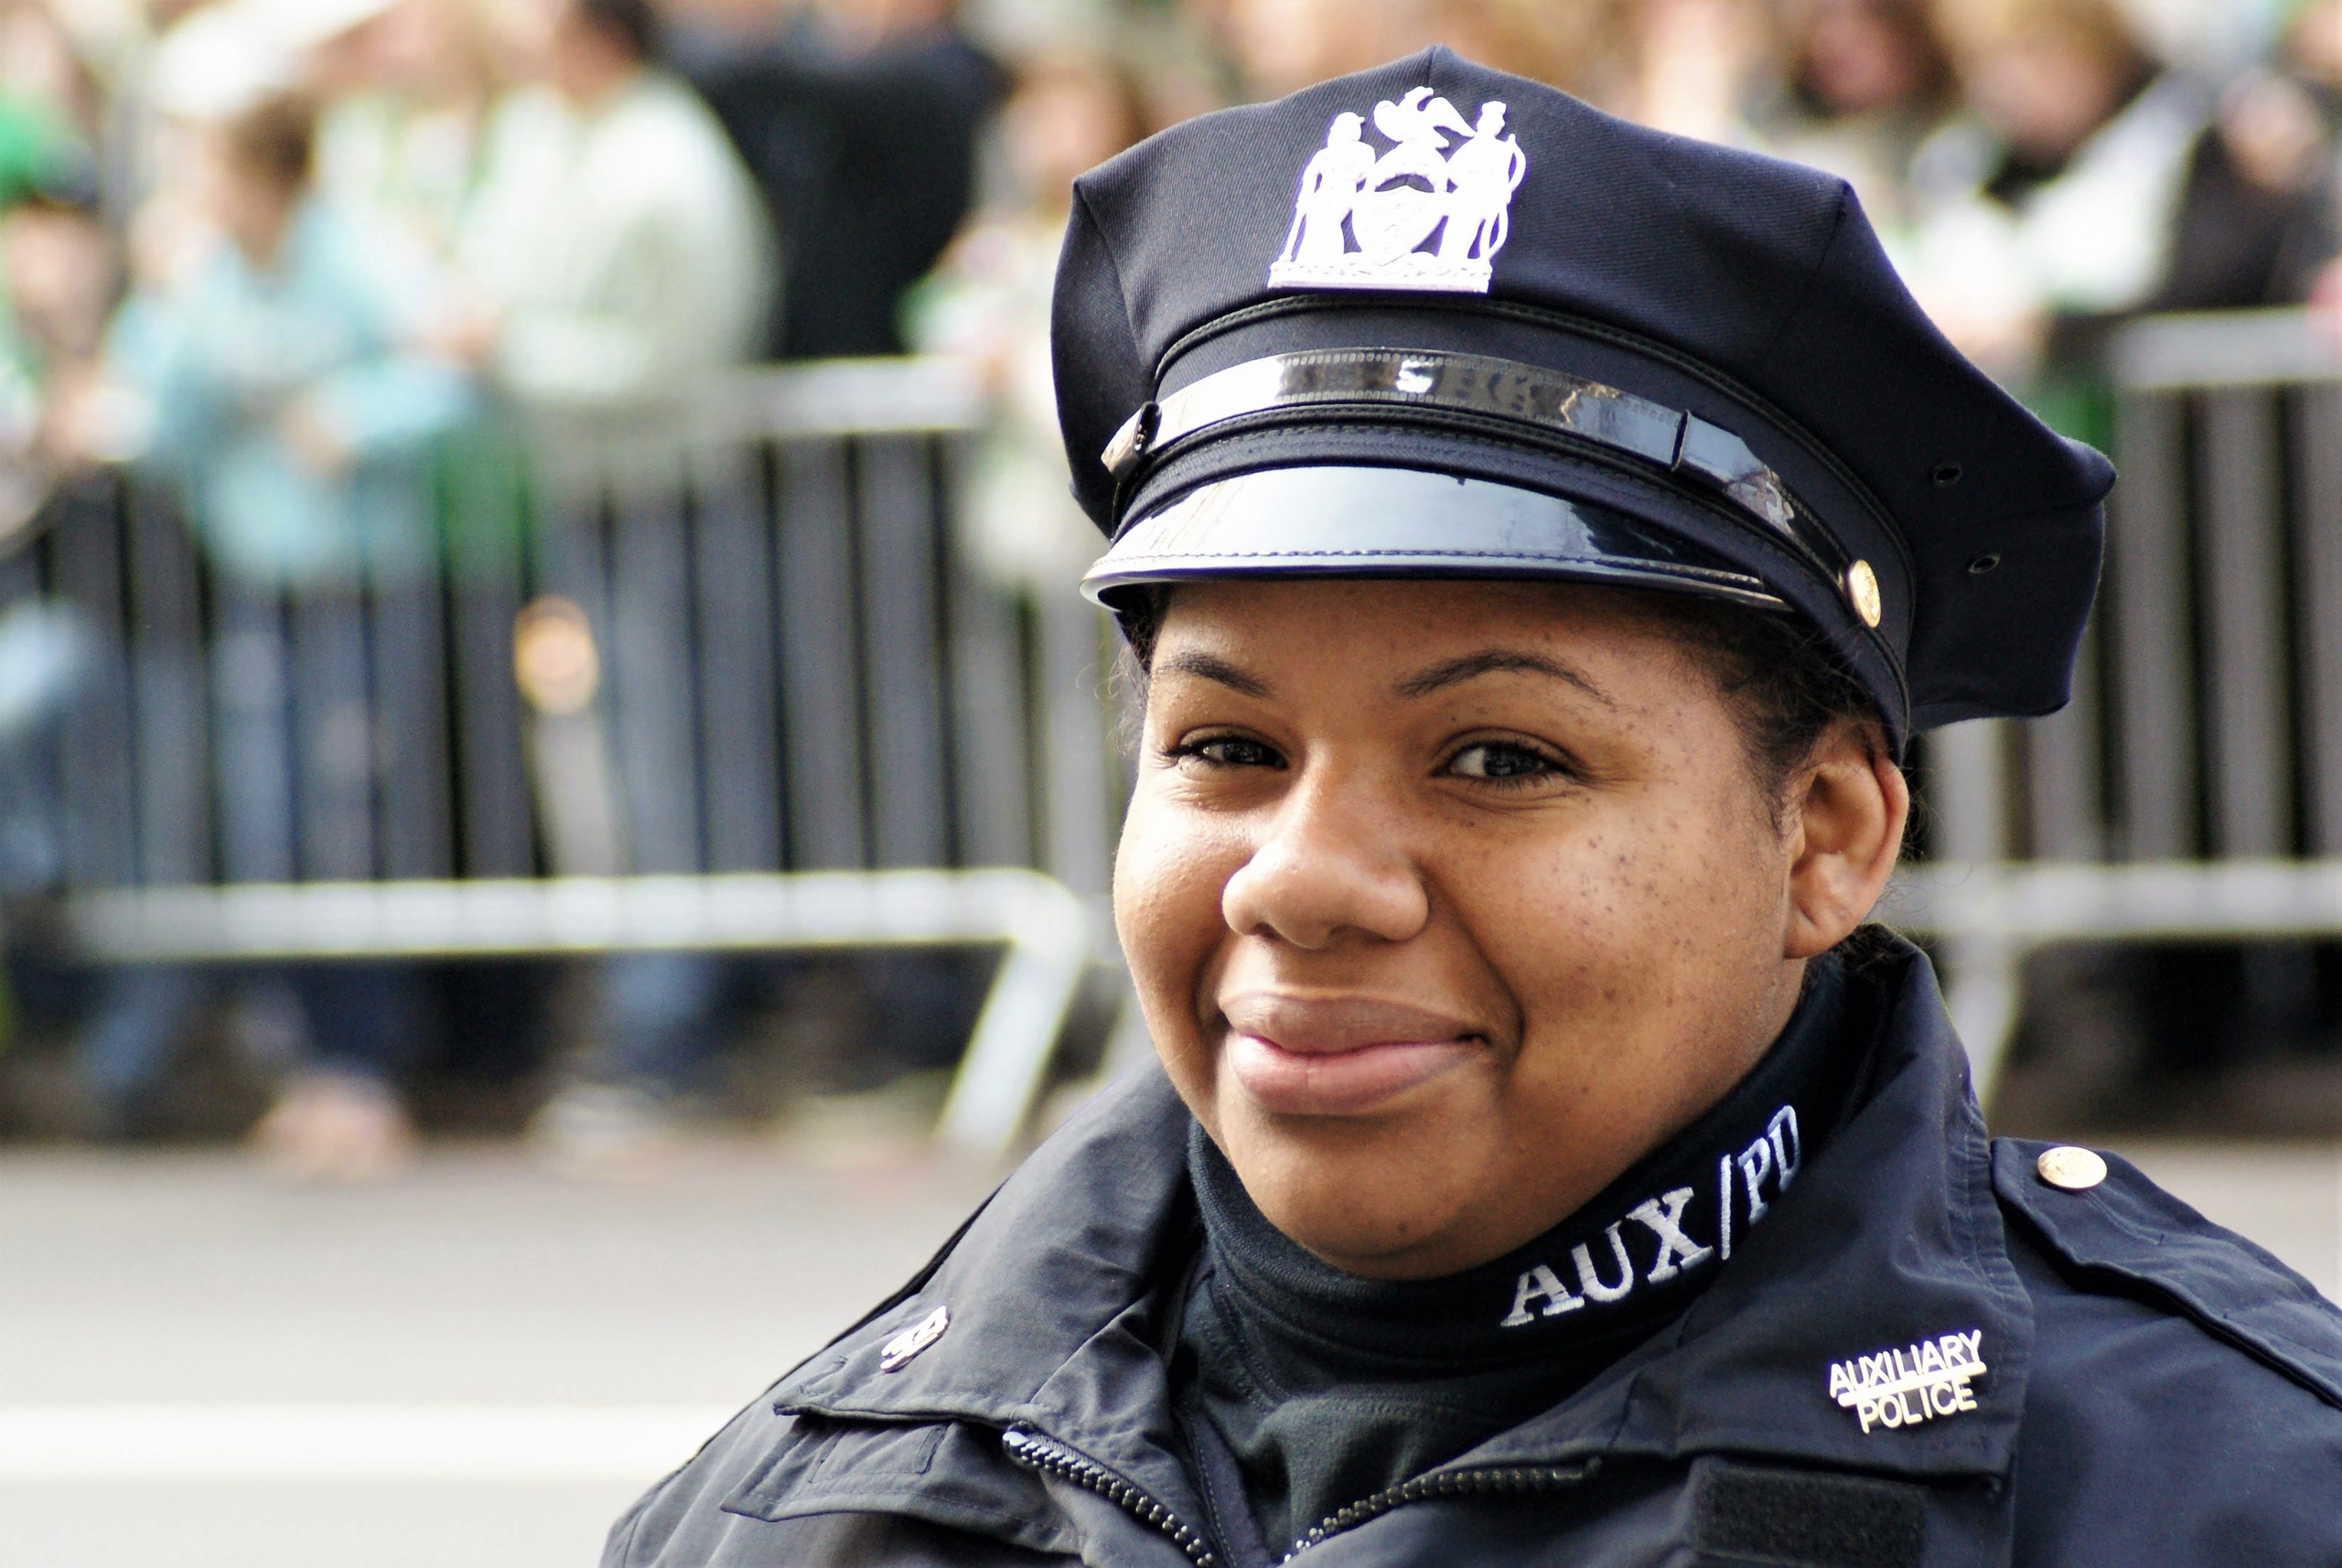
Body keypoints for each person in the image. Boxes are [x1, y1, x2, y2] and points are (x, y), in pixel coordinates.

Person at [604, 48, 2342, 1568]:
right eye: (1225, 748)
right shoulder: (805, 1508)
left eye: (1499, 758)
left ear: (1823, 835)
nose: (1303, 880)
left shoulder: (2229, 1497)